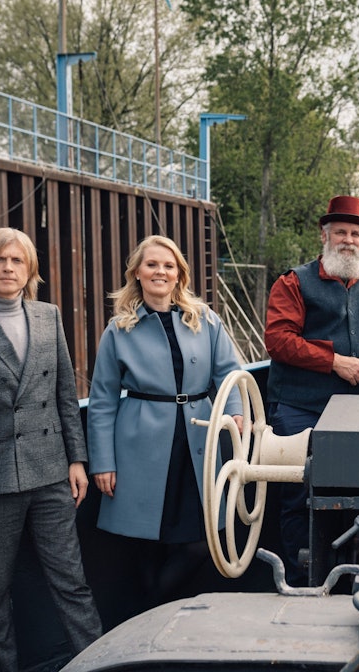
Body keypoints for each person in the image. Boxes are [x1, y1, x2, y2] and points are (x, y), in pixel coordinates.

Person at [0, 227, 101, 672]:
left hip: (51, 474)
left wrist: (77, 459)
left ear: (30, 270)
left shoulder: (49, 316)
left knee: (72, 583)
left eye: (17, 261)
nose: (8, 268)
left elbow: (65, 394)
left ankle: (98, 664)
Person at [86, 235, 242, 614]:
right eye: (152, 264)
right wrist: (102, 462)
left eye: (169, 266)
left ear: (179, 275)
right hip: (140, 445)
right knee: (146, 544)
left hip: (198, 440)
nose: (161, 271)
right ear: (137, 273)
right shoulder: (118, 329)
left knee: (201, 542)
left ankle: (151, 609)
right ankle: (153, 620)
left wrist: (235, 412)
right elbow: (102, 400)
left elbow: (229, 372)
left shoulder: (206, 320)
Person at [265, 195, 359, 585]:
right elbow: (278, 340)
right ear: (324, 236)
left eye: (355, 234)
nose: (348, 240)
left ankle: (355, 578)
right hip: (299, 406)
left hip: (356, 409)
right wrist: (334, 362)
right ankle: (299, 581)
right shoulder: (293, 282)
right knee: (299, 496)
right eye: (340, 232)